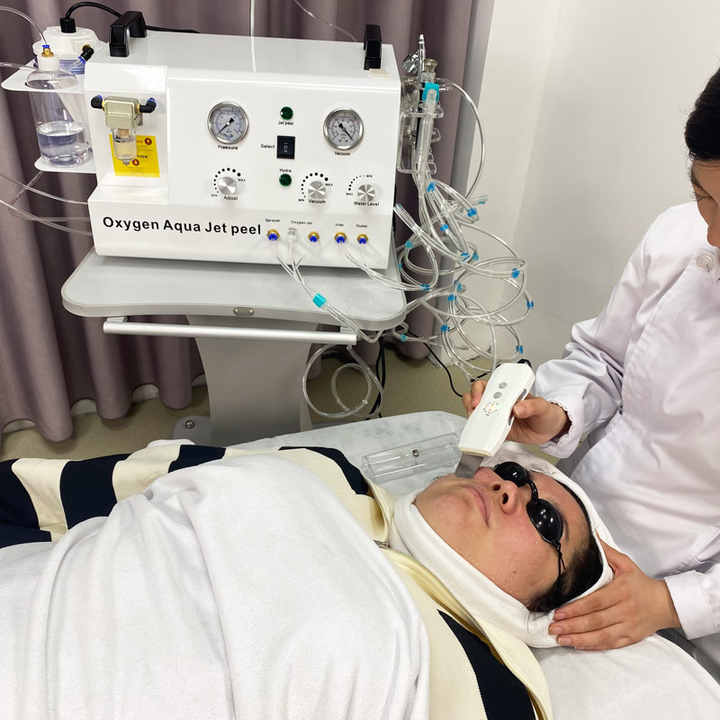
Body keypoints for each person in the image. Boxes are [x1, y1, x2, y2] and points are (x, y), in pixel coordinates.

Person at [0, 441, 609, 720]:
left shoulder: (489, 690)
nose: (507, 488)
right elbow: (60, 494)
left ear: (543, 609)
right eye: (512, 473)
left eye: (545, 519)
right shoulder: (320, 469)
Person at [463, 65, 720, 672]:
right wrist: (557, 416)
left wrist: (674, 602)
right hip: (585, 501)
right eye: (705, 197)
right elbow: (606, 361)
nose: (713, 234)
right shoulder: (678, 237)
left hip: (693, 571)